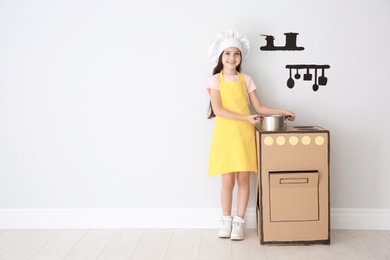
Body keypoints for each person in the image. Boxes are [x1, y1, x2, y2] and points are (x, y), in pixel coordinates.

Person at [206, 29, 296, 241]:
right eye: (227, 53)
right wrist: (247, 118)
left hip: (244, 135)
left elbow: (258, 107)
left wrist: (282, 111)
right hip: (225, 135)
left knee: (244, 179)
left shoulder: (246, 79)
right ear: (221, 56)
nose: (232, 58)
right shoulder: (214, 81)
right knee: (227, 180)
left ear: (241, 57)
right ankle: (226, 220)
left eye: (236, 53)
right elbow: (218, 111)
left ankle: (239, 223)